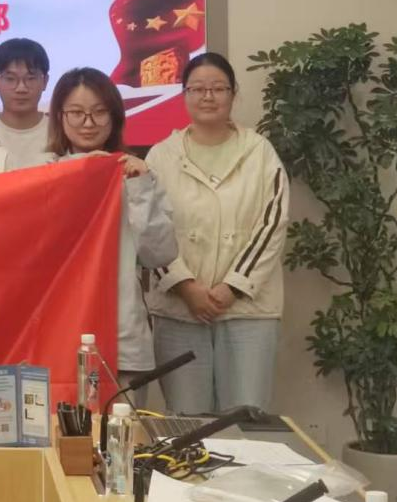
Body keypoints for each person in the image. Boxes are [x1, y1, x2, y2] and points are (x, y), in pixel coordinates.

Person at [146, 53, 288, 413]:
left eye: (218, 88)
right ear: (184, 94)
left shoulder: (260, 152)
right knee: (187, 423)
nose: (207, 97)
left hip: (247, 310)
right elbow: (148, 230)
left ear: (233, 93)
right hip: (179, 310)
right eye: (197, 89)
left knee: (245, 419)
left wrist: (232, 287)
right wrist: (185, 286)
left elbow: (272, 225)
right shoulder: (161, 156)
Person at [45, 67, 178, 394]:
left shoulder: (137, 174)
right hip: (58, 335)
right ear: (60, 116)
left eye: (99, 112)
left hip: (123, 339)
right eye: (76, 112)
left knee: (124, 424)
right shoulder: (44, 174)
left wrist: (140, 188)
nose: (88, 123)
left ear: (115, 116)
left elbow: (160, 254)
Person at [0, 38, 51, 169]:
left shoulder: (60, 132)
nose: (21, 88)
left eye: (30, 78)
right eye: (10, 79)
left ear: (45, 81)